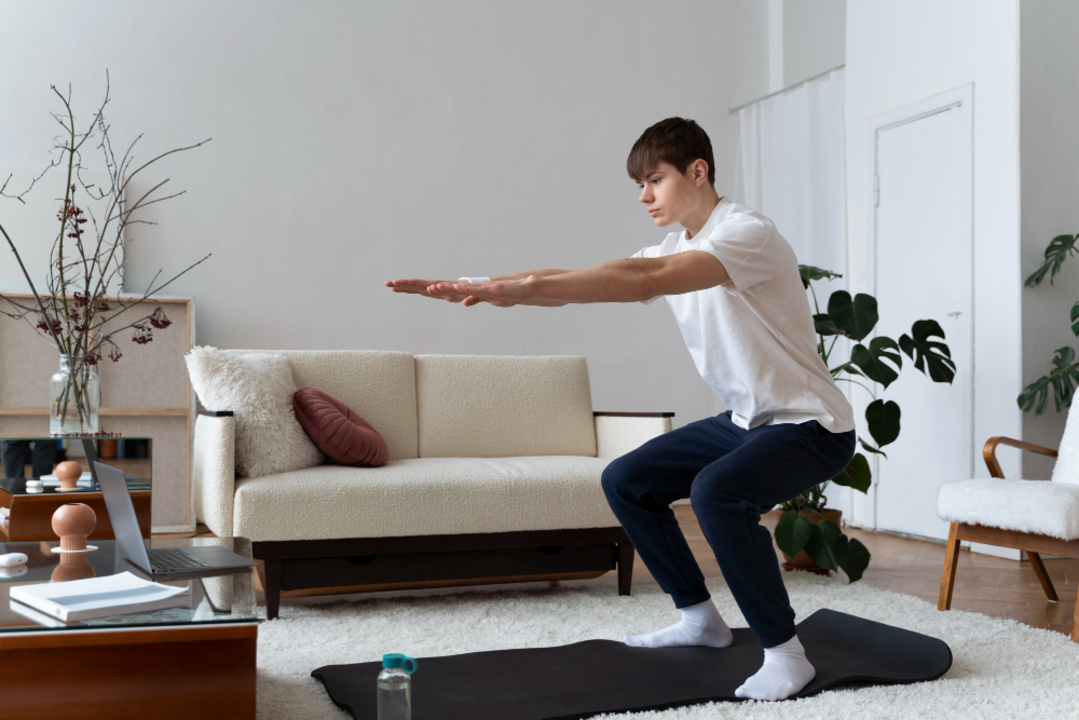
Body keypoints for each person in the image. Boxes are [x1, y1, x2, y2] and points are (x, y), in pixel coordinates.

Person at [384, 116, 856, 701]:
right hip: (745, 422)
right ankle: (700, 620)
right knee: (628, 479)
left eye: (654, 179)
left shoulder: (745, 233)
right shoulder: (674, 245)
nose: (643, 196)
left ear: (698, 171)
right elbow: (592, 276)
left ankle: (786, 655)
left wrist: (519, 286)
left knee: (717, 493)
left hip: (809, 423)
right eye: (640, 183)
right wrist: (486, 284)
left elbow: (643, 279)